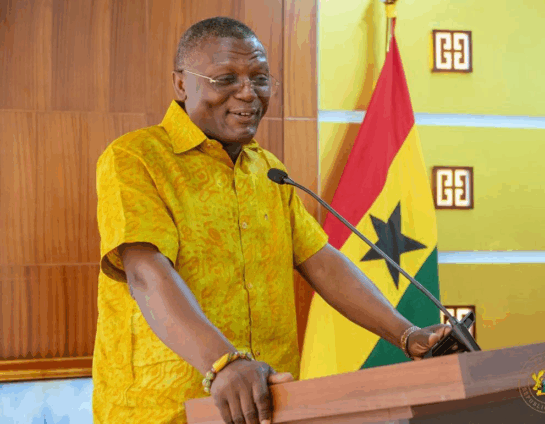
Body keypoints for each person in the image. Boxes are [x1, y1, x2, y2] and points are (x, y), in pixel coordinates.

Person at [92, 16, 452, 424]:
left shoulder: (267, 170)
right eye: (226, 79)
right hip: (165, 409)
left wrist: (407, 335)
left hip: (269, 404)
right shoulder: (135, 159)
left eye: (260, 78)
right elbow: (146, 274)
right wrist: (223, 363)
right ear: (181, 84)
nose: (248, 93)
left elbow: (322, 261)